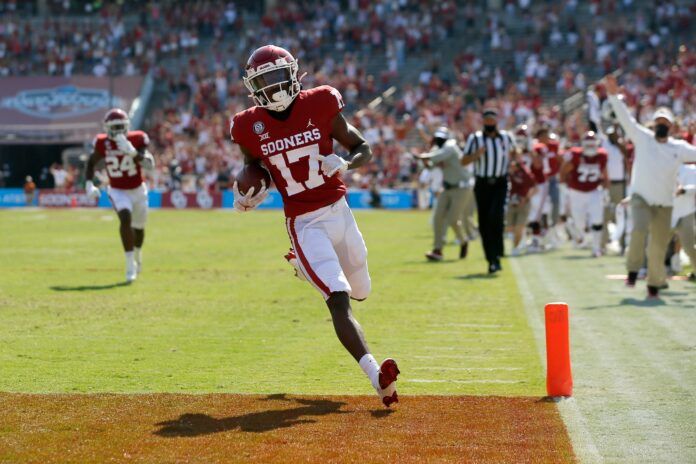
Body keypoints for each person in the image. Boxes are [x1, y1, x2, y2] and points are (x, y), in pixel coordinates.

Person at [229, 45, 399, 407]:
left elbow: (362, 146)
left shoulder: (321, 102)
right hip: (305, 224)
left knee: (361, 290)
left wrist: (346, 162)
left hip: (340, 212)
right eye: (264, 81)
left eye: (277, 77)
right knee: (338, 300)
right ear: (252, 87)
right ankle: (377, 377)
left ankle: (304, 268)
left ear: (293, 74)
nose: (273, 88)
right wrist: (248, 190)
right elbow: (254, 167)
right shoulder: (248, 125)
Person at [605, 74, 696, 297]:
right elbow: (626, 119)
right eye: (658, 123)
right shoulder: (643, 138)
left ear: (672, 127)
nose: (661, 126)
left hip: (664, 203)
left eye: (665, 123)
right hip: (641, 198)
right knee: (638, 229)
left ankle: (654, 284)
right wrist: (613, 95)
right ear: (653, 124)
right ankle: (633, 270)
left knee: (657, 246)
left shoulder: (678, 147)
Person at [84, 108, 155, 282]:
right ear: (107, 128)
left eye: (120, 127)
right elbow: (91, 162)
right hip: (117, 189)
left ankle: (137, 254)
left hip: (138, 189)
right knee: (125, 218)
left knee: (139, 228)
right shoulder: (102, 142)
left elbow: (149, 165)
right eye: (113, 127)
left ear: (126, 126)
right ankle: (129, 263)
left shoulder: (137, 138)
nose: (116, 131)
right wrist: (88, 184)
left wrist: (132, 152)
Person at [463, 108, 515, 274]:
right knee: (485, 223)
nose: (490, 124)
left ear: (497, 121)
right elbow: (463, 161)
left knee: (496, 217)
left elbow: (515, 153)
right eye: (487, 121)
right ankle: (492, 260)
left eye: (492, 121)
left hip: (500, 182)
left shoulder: (506, 137)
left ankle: (498, 250)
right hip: (483, 183)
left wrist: (515, 161)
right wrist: (476, 155)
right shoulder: (475, 138)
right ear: (483, 122)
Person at [414, 127, 472, 261]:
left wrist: (424, 156)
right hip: (447, 187)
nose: (440, 140)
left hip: (462, 188)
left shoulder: (450, 146)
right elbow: (429, 166)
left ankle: (463, 241)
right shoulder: (437, 150)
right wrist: (425, 161)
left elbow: (438, 156)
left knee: (452, 219)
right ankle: (438, 249)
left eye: (442, 138)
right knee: (437, 217)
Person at [560, 131, 609, 257]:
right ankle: (574, 228)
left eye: (593, 145)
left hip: (594, 191)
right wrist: (564, 186)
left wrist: (606, 189)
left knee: (597, 219)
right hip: (577, 192)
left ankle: (596, 248)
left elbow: (604, 172)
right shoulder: (576, 155)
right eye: (588, 145)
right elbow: (564, 170)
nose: (591, 148)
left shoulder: (602, 155)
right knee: (579, 223)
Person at [507, 158, 537, 255]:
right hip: (511, 203)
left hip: (523, 204)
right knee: (509, 228)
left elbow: (535, 188)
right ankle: (521, 240)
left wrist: (526, 198)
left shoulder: (526, 174)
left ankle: (515, 247)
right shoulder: (509, 174)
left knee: (519, 227)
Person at [671, 163, 696, 280]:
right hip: (667, 212)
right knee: (657, 244)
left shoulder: (691, 170)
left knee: (689, 247)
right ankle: (655, 274)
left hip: (686, 212)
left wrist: (684, 190)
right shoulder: (662, 168)